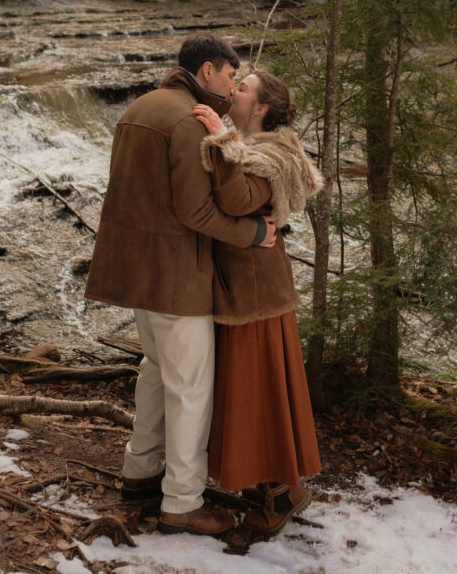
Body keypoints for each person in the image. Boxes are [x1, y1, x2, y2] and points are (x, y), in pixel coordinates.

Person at [84, 35, 277, 537]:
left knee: (155, 372)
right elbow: (196, 211)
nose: (233, 85)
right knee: (191, 388)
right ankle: (183, 503)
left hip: (137, 273)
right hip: (175, 275)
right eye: (231, 76)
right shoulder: (188, 120)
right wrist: (254, 233)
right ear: (208, 71)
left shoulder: (141, 106)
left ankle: (140, 472)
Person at [193, 69, 323, 535]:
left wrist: (220, 139)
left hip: (257, 290)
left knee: (260, 389)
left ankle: (282, 492)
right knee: (245, 388)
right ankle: (259, 485)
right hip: (241, 283)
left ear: (261, 108)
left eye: (242, 89)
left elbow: (234, 200)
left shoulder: (274, 156)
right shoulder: (249, 145)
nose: (234, 91)